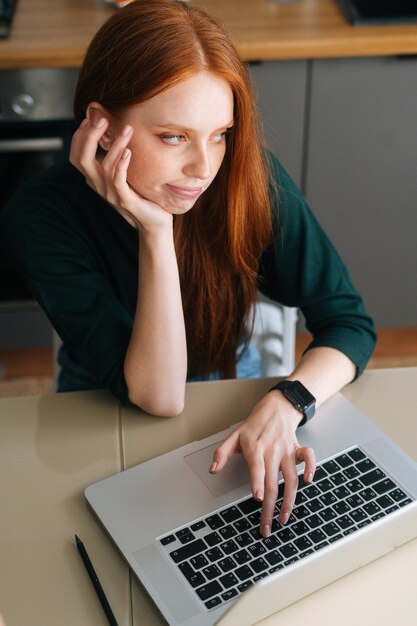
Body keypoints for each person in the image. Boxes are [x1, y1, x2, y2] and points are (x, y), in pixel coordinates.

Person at [0, 0, 376, 538]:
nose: (204, 168)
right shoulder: (39, 218)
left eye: (219, 133)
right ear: (103, 128)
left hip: (230, 374)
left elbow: (350, 325)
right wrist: (156, 231)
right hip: (107, 394)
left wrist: (287, 401)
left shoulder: (246, 177)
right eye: (174, 136)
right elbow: (160, 397)